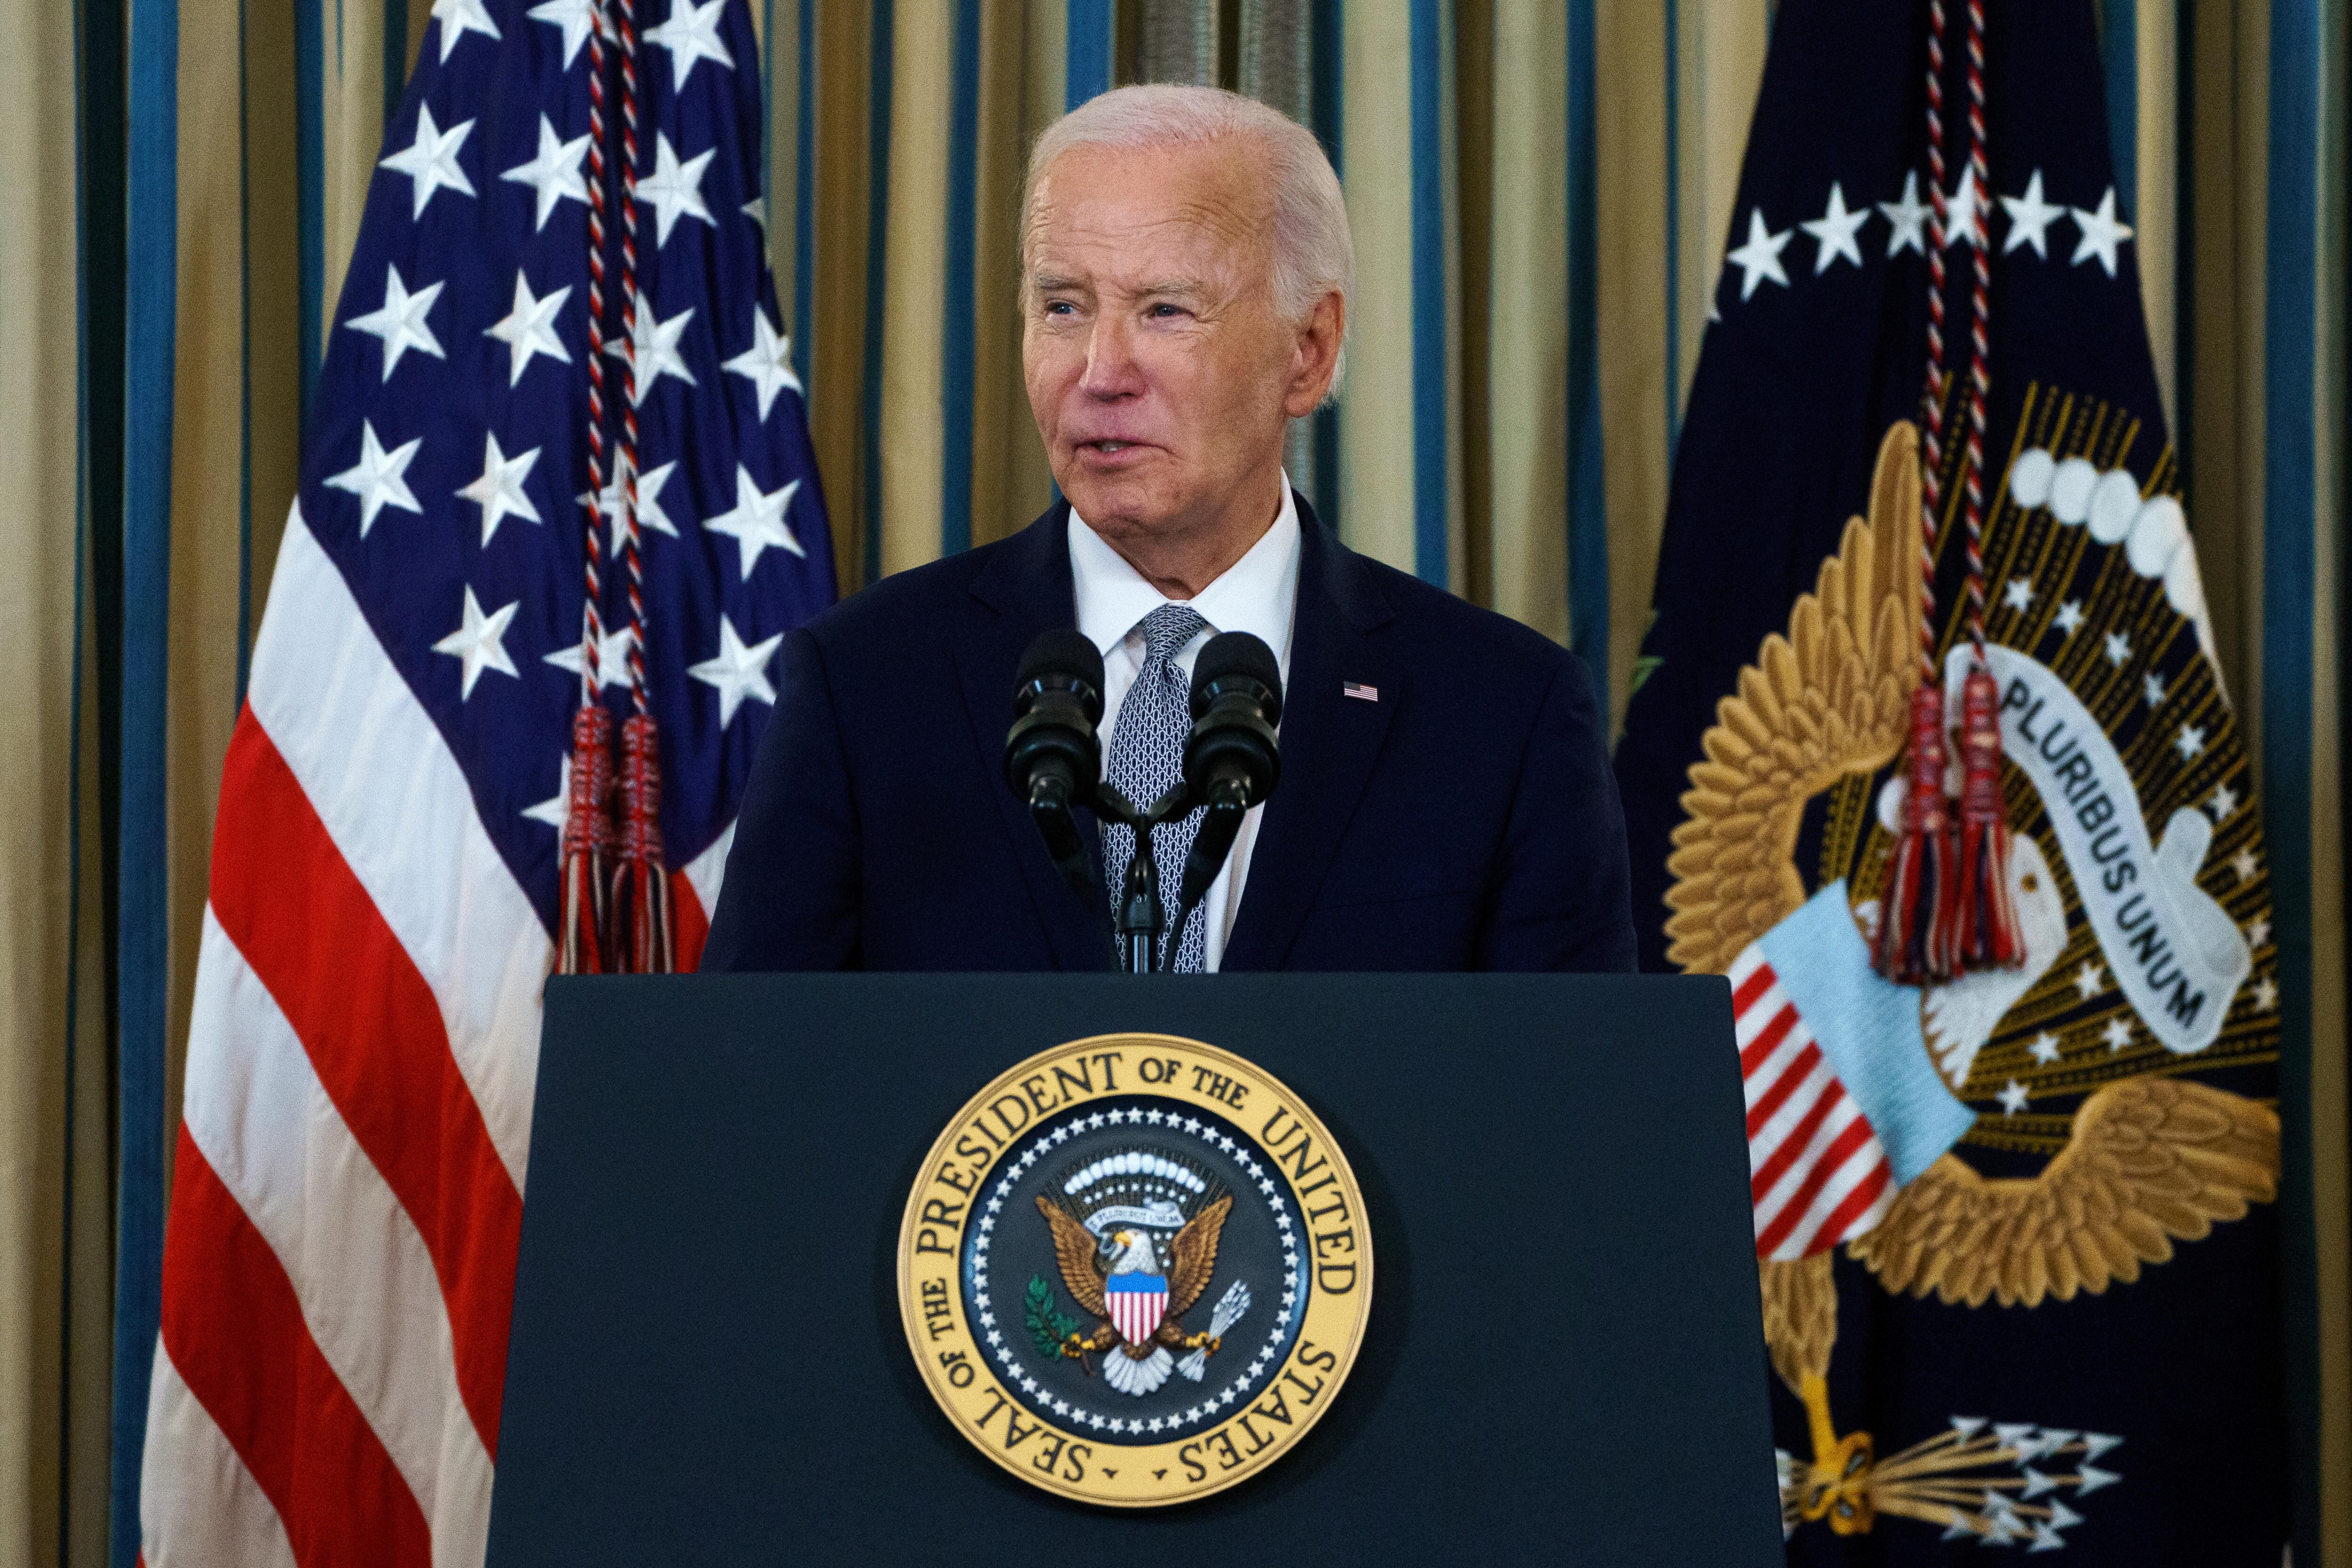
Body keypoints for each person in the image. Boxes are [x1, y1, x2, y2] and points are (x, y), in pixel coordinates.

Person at [705, 84, 1634, 973]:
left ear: (1307, 353)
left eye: (1164, 310)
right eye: (1062, 305)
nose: (1102, 370)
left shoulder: (1503, 715)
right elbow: (757, 1090)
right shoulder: (863, 684)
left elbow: (1565, 1112)